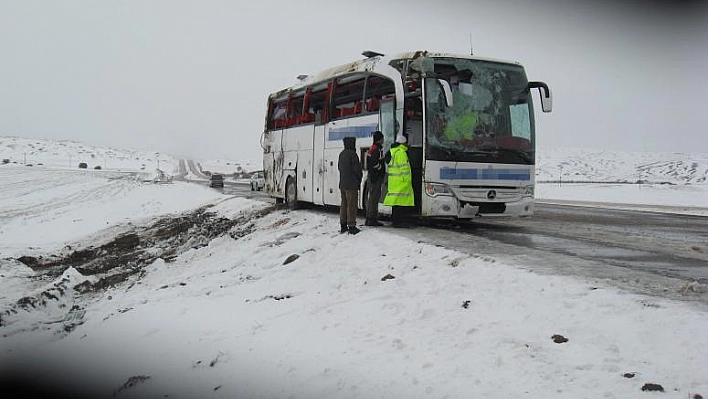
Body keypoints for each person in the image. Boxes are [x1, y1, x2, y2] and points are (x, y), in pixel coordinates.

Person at [383, 134, 414, 227]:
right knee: (401, 204)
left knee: (396, 204)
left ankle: (396, 221)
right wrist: (408, 180)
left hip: (394, 182)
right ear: (403, 143)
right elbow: (404, 168)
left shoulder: (393, 152)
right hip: (401, 182)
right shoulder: (401, 152)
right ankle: (399, 222)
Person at [338, 136, 362, 234]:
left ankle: (343, 225)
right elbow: (357, 170)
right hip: (351, 184)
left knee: (344, 204)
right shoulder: (353, 154)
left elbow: (339, 167)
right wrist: (359, 178)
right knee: (351, 205)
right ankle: (351, 225)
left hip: (342, 183)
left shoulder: (342, 154)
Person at [365, 131, 385, 226]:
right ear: (379, 139)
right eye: (382, 138)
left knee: (372, 198)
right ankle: (372, 219)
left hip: (372, 177)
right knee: (374, 198)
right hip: (375, 177)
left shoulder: (372, 148)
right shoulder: (376, 150)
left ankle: (370, 218)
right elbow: (374, 163)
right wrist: (380, 169)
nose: (383, 140)